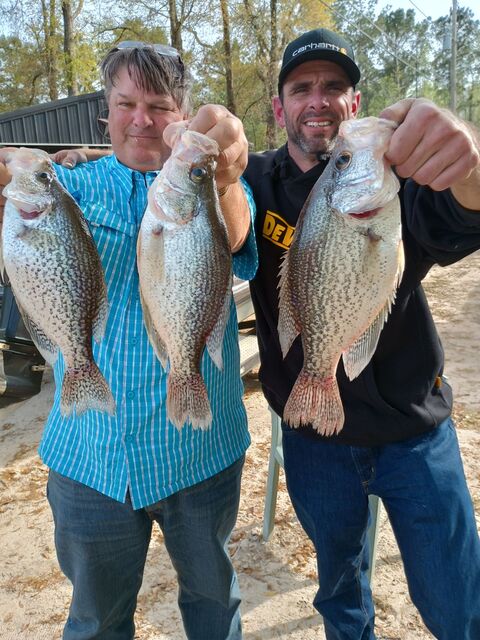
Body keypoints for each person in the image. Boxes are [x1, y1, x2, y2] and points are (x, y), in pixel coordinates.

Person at [0, 42, 257, 640]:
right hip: (90, 457)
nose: (141, 119)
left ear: (183, 115)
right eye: (126, 104)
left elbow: (240, 236)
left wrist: (220, 174)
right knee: (96, 620)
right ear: (106, 112)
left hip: (199, 449)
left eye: (159, 106)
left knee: (214, 605)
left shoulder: (214, 180)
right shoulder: (69, 188)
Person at [243, 28, 480, 640]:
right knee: (341, 595)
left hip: (414, 431)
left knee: (459, 607)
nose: (318, 100)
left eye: (335, 87)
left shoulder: (395, 183)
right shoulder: (255, 182)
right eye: (301, 89)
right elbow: (192, 192)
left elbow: (468, 209)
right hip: (314, 437)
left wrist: (467, 158)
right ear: (279, 109)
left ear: (355, 103)